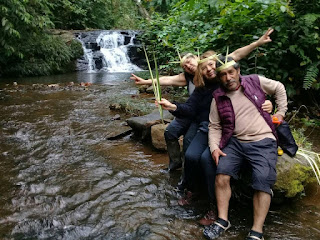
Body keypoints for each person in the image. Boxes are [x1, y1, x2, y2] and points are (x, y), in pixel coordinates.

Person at [132, 28, 275, 173]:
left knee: (189, 142)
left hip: (209, 115)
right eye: (184, 66)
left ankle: (189, 173)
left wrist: (258, 42)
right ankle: (176, 163)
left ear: (197, 58)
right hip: (191, 110)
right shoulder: (188, 77)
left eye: (189, 62)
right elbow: (166, 79)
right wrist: (145, 81)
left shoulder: (217, 67)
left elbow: (237, 54)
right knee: (170, 132)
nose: (188, 66)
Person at [157, 51, 273, 226]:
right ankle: (195, 191)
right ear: (200, 72)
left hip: (229, 130)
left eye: (212, 65)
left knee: (207, 159)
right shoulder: (202, 89)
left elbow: (256, 91)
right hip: (208, 127)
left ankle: (214, 207)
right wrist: (172, 106)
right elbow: (189, 108)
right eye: (204, 68)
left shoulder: (230, 79)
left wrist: (269, 105)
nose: (209, 69)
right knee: (190, 156)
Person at [204, 55, 287, 240]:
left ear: (238, 71)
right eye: (223, 74)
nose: (228, 78)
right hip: (235, 142)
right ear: (219, 77)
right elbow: (214, 126)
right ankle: (223, 220)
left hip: (263, 140)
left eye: (231, 72)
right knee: (222, 175)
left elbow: (279, 88)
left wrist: (280, 112)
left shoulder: (254, 81)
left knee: (262, 180)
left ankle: (257, 231)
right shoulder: (217, 97)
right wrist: (214, 148)